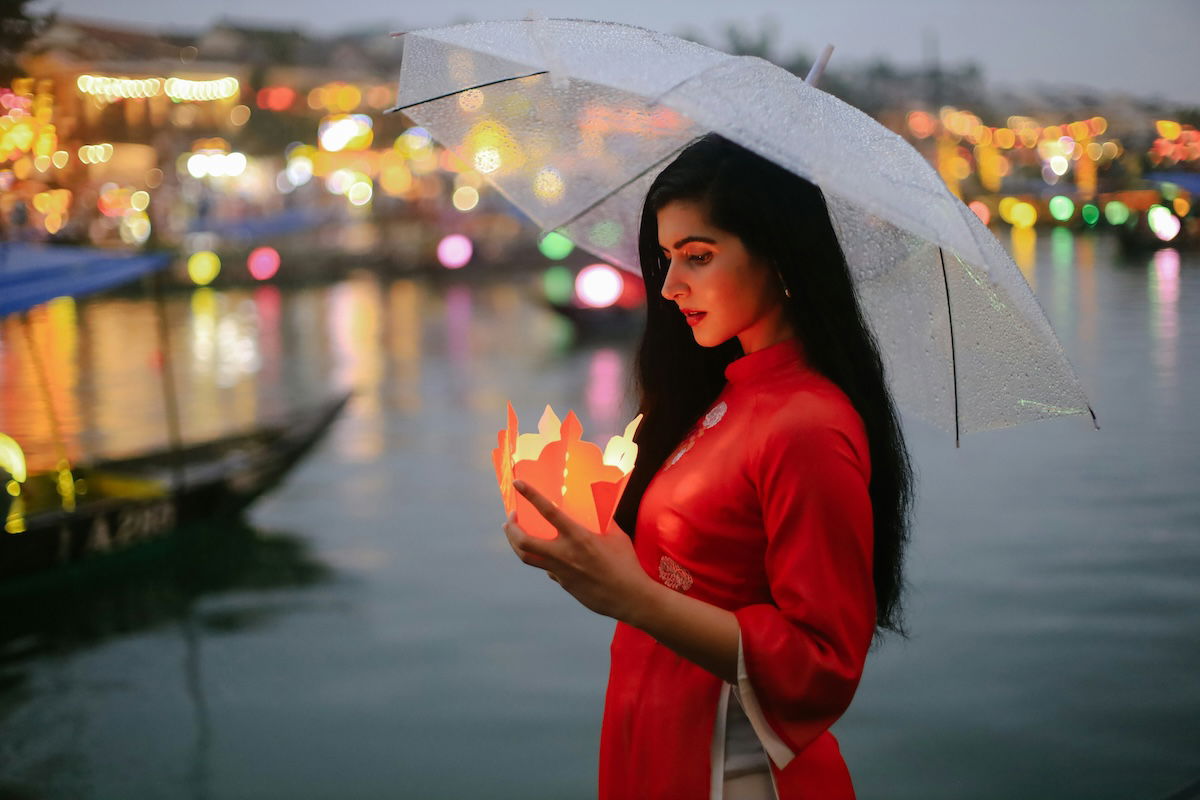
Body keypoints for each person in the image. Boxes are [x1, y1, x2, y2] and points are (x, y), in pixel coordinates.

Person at [502, 132, 914, 799]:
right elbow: (690, 572)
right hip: (654, 731)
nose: (669, 286)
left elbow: (824, 662)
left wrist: (631, 597)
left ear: (779, 257)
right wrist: (578, 540)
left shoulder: (807, 424)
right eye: (665, 258)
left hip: (734, 767)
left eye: (697, 257)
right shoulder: (725, 394)